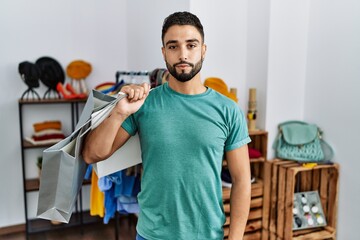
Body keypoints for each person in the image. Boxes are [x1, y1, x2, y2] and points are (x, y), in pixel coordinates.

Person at [83, 11, 251, 240]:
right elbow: (92, 155)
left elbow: (241, 180)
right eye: (173, 46)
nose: (183, 54)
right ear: (164, 53)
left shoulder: (228, 110)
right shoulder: (143, 104)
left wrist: (236, 237)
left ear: (203, 49)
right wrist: (118, 113)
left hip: (207, 235)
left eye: (191, 45)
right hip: (152, 235)